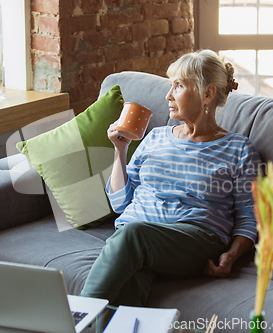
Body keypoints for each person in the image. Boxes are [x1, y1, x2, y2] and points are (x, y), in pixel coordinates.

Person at [80, 49, 262, 306]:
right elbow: (120, 203)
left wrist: (231, 256)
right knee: (127, 289)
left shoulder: (238, 149)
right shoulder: (154, 138)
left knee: (134, 236)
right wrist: (120, 152)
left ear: (207, 94)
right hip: (136, 241)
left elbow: (249, 216)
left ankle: (76, 318)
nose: (168, 95)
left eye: (178, 86)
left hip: (195, 240)